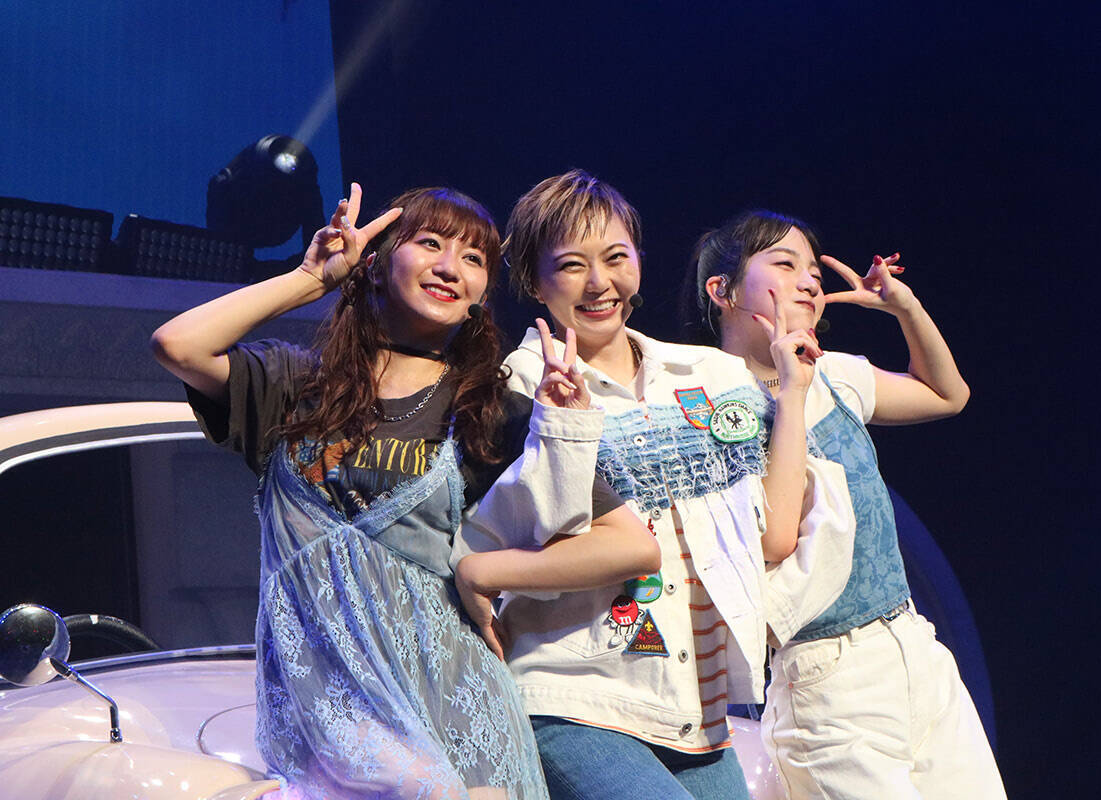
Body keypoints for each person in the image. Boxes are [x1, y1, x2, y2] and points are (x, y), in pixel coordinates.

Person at [150, 183, 658, 800]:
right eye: (430, 244)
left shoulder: (489, 409)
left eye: (474, 258)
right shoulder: (295, 384)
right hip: (333, 709)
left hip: (455, 701)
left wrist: (481, 571)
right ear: (377, 264)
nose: (451, 267)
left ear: (480, 295)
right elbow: (178, 344)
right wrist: (311, 279)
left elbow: (630, 545)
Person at [469, 170, 851, 800]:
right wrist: (559, 425)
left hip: (696, 712)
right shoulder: (516, 388)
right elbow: (539, 531)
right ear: (534, 281)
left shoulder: (711, 373)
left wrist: (792, 392)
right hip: (574, 696)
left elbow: (773, 537)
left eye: (616, 257)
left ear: (639, 262)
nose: (600, 283)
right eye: (571, 265)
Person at [688, 209, 1006, 799]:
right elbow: (772, 539)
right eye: (785, 265)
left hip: (913, 647)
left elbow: (948, 394)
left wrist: (904, 308)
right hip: (827, 680)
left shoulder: (834, 374)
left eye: (814, 270)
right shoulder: (708, 408)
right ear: (722, 290)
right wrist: (789, 389)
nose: (809, 282)